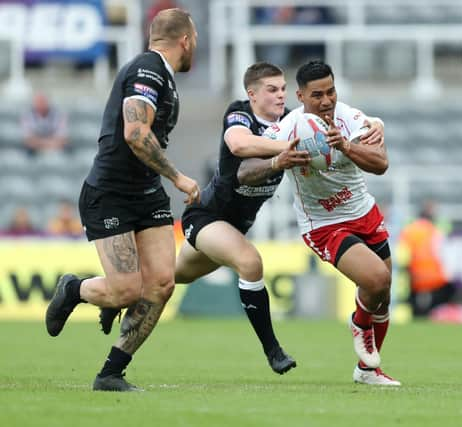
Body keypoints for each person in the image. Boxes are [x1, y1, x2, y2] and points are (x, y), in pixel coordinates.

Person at [100, 62, 311, 373]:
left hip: (235, 225)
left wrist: (368, 128)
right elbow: (238, 147)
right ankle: (273, 351)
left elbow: (324, 129)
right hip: (206, 216)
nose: (281, 95)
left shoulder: (291, 122)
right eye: (272, 90)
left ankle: (114, 299)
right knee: (250, 262)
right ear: (252, 94)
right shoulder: (239, 113)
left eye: (282, 89)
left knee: (168, 279)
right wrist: (280, 156)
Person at [44, 8, 200, 392]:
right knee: (128, 290)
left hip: (146, 194)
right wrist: (177, 176)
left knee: (162, 283)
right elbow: (134, 133)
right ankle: (74, 289)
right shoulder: (147, 69)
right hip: (110, 193)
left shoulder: (163, 74)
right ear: (185, 40)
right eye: (194, 40)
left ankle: (111, 373)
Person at [238, 60, 400, 386]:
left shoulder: (351, 118)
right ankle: (359, 322)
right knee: (377, 280)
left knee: (383, 293)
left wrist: (347, 145)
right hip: (324, 224)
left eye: (331, 92)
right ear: (300, 96)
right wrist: (277, 161)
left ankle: (367, 371)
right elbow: (244, 171)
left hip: (364, 213)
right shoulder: (288, 128)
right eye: (317, 95)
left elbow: (381, 164)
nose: (326, 101)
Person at [398, 200, 455, 317]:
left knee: (415, 308)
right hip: (436, 278)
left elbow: (403, 255)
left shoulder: (408, 230)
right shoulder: (437, 230)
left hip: (415, 277)